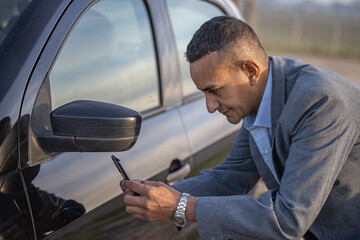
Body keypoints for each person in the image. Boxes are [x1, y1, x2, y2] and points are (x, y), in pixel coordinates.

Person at [120, 16, 360, 240]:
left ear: (251, 71)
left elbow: (288, 217)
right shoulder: (258, 99)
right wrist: (162, 194)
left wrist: (180, 206)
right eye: (204, 93)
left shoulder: (319, 102)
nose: (210, 106)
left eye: (215, 90)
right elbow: (231, 176)